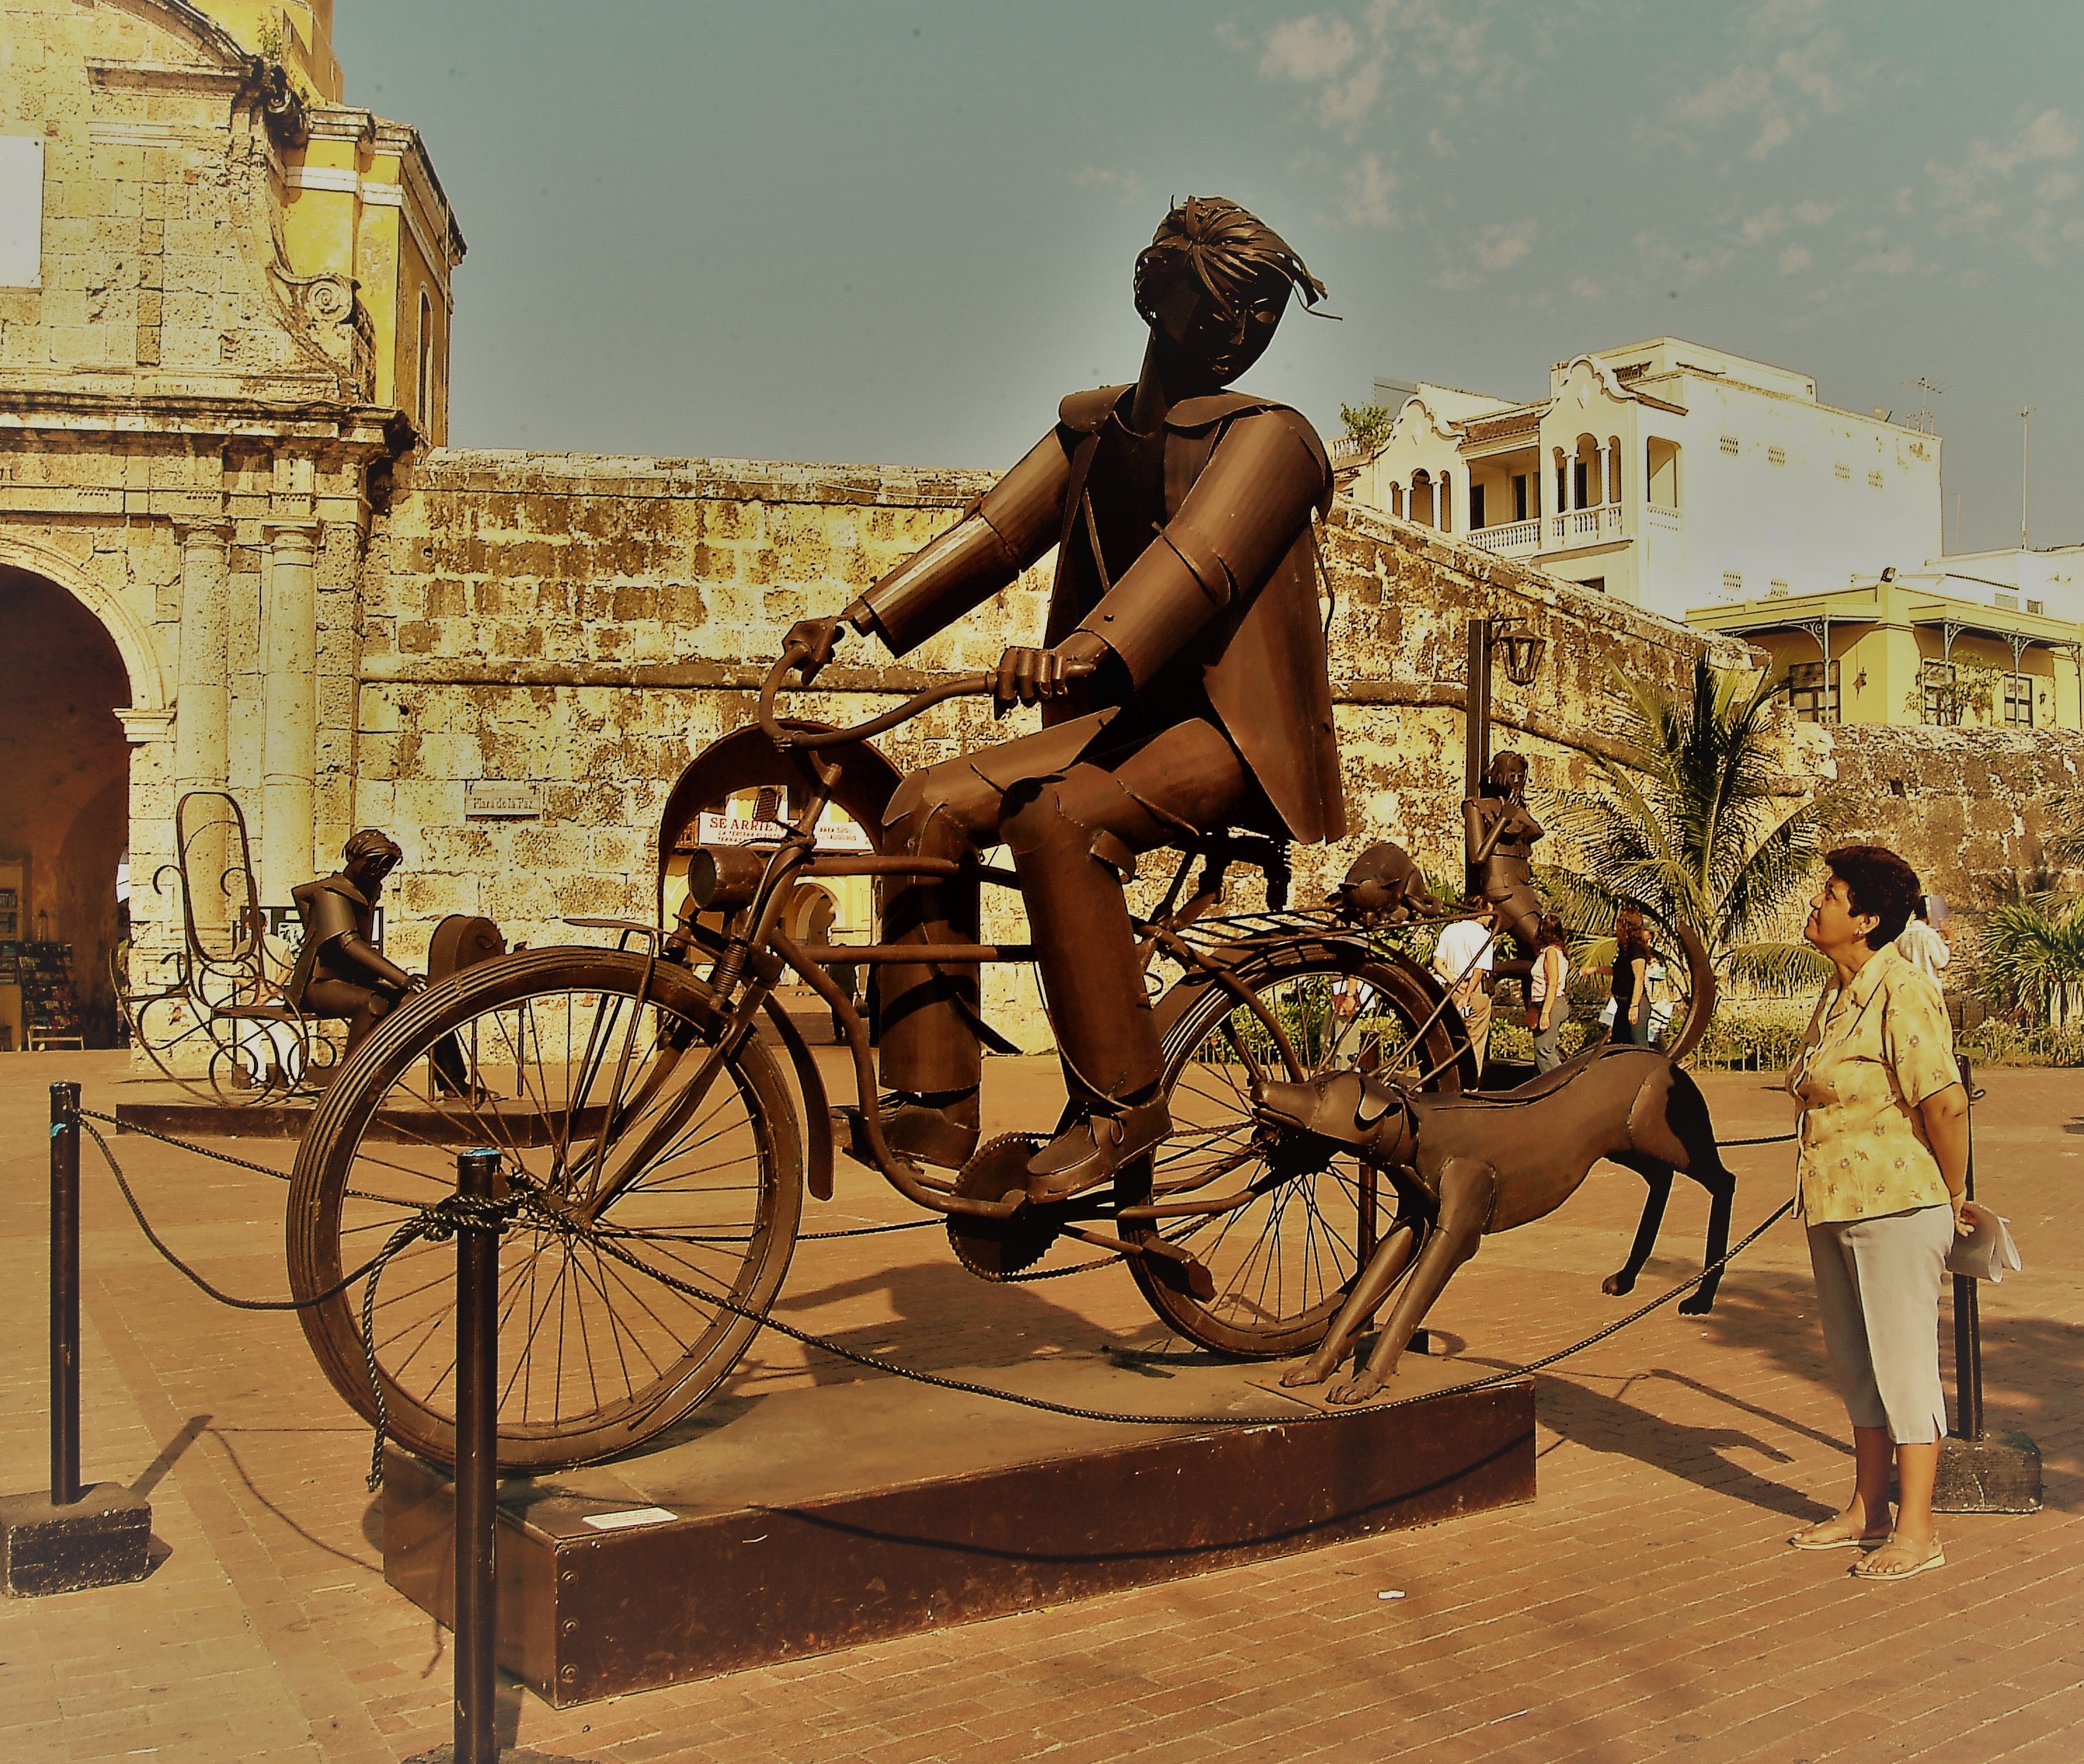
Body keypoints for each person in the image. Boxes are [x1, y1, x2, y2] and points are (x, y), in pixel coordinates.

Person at [784, 197, 1340, 1201]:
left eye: (1263, 311)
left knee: (1059, 819)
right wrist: (856, 621)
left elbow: (1195, 564)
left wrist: (1080, 652)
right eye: (1224, 301)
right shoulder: (1093, 429)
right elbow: (993, 533)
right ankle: (933, 1103)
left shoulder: (1273, 442)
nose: (1243, 329)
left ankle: (1120, 1107)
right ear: (1156, 294)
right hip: (1120, 721)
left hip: (1233, 733)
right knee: (922, 805)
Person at [1785, 844, 1971, 1582]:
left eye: (1830, 895)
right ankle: (1866, 1507)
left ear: (1864, 919)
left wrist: (1953, 1193)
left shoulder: (1903, 988)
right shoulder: (1836, 993)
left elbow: (1944, 1101)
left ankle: (1917, 1528)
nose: (1816, 903)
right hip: (1832, 1202)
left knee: (1902, 1364)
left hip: (1897, 1204)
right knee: (1854, 1361)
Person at [1463, 750, 1545, 958]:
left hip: (1523, 889)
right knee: (1542, 946)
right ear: (1499, 775)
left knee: (1543, 950)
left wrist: (1517, 810)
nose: (1517, 780)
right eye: (1512, 775)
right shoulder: (1477, 805)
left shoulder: (1517, 809)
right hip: (1502, 890)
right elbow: (1478, 857)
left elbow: (1537, 831)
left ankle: (1497, 972)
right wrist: (1503, 820)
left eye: (1520, 776)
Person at [1433, 900, 1497, 1075]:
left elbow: (1438, 963)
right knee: (1475, 1038)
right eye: (1489, 913)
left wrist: (1455, 982)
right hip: (1474, 990)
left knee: (1452, 1036)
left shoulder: (1450, 930)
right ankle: (1471, 1081)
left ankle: (1450, 1076)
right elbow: (1479, 969)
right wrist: (1467, 994)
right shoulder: (1484, 936)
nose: (1491, 919)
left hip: (1452, 989)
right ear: (1481, 913)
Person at [1528, 913, 1571, 1073]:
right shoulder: (1554, 951)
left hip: (1550, 1004)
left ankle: (1561, 1081)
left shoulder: (1551, 952)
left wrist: (1545, 1013)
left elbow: (1553, 983)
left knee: (1544, 1050)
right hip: (1543, 1003)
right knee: (1540, 1052)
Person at [1610, 907, 1653, 1046]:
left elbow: (1639, 978)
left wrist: (1634, 1006)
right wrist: (1594, 970)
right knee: (1618, 1043)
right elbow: (1620, 972)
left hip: (1635, 1003)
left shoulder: (1636, 950)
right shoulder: (1625, 948)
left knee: (1638, 1044)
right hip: (1622, 1004)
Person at [1896, 894, 1951, 989]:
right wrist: (1949, 938)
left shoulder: (1901, 937)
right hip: (1928, 991)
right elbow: (1943, 964)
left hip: (1908, 991)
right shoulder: (1929, 935)